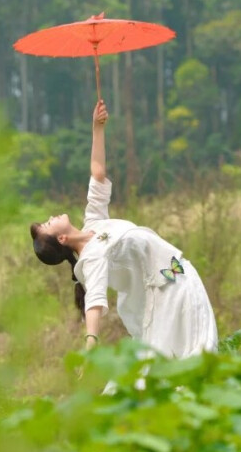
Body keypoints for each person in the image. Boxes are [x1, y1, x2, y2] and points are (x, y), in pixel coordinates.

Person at [29, 99, 218, 358]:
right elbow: (94, 303)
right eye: (48, 223)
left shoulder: (93, 222)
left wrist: (97, 128)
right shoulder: (90, 259)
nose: (51, 216)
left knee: (196, 354)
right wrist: (91, 343)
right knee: (186, 359)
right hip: (166, 293)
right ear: (61, 238)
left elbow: (97, 174)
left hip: (178, 275)